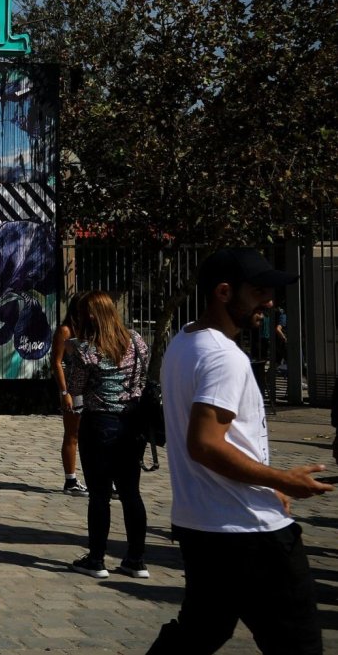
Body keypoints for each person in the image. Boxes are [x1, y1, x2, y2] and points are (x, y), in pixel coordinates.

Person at [147, 248, 331, 655]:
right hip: (250, 531)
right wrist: (282, 479)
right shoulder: (224, 357)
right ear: (224, 292)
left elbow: (221, 442)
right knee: (298, 646)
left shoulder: (184, 341)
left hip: (202, 526)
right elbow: (205, 444)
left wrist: (268, 485)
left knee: (200, 633)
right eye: (260, 292)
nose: (270, 302)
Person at [62, 291, 150, 579]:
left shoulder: (85, 349)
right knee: (131, 492)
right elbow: (142, 377)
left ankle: (96, 559)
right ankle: (136, 560)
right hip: (132, 422)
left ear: (89, 316)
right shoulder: (136, 340)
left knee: (99, 494)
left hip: (99, 422)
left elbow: (75, 387)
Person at [50, 294, 88, 496]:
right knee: (72, 434)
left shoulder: (90, 329)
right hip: (73, 388)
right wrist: (64, 392)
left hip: (91, 388)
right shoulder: (65, 330)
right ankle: (70, 480)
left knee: (92, 435)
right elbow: (56, 362)